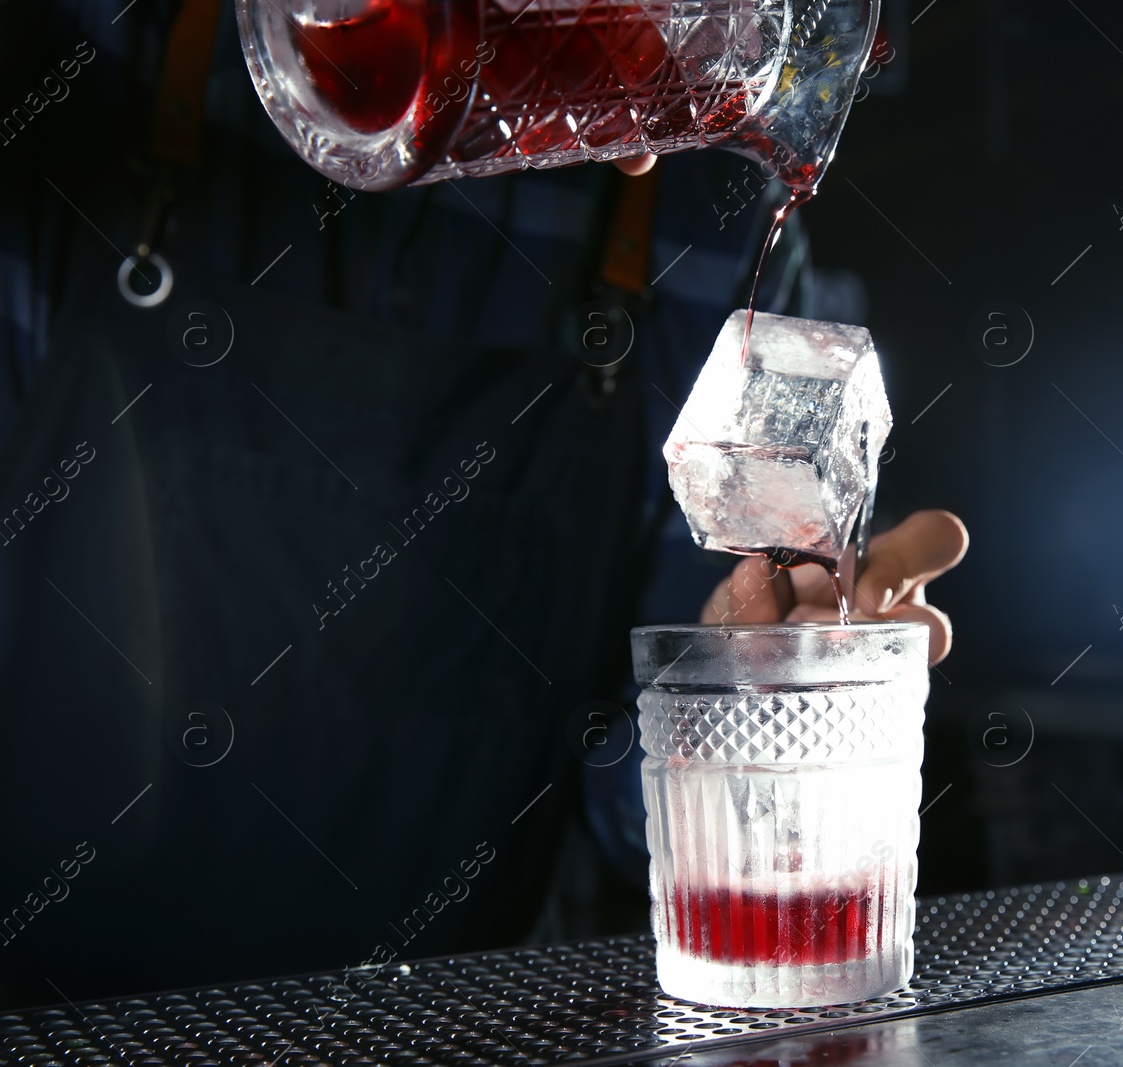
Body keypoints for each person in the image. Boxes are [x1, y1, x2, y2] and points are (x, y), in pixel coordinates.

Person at [0, 0, 966, 1008]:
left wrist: (746, 685)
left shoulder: (702, 205)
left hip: (467, 1019)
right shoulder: (86, 61)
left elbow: (634, 809)